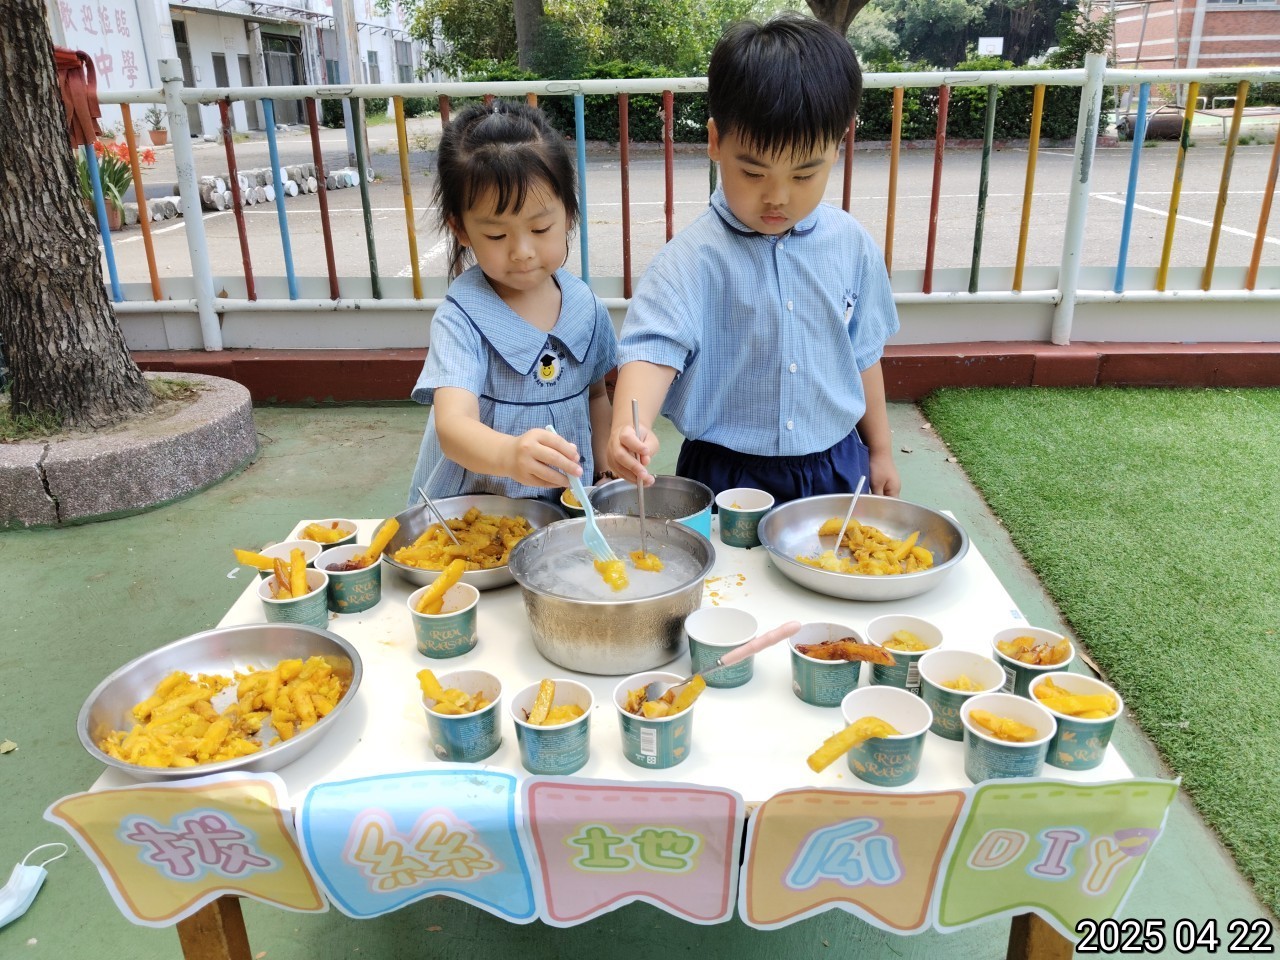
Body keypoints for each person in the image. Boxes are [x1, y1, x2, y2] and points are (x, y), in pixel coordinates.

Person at [606, 13, 901, 503]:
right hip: (724, 473)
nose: (777, 197)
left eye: (803, 175)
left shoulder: (852, 246)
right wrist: (627, 427)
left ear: (837, 146)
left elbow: (863, 354)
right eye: (753, 172)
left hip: (837, 461)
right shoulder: (689, 261)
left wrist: (882, 450)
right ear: (716, 142)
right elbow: (652, 352)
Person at [407, 100, 617, 504]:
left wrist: (606, 472)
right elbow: (453, 426)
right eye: (497, 236)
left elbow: (596, 397)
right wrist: (508, 454)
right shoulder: (462, 319)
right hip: (473, 517)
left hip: (565, 512)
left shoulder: (586, 308)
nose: (522, 251)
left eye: (540, 228)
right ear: (461, 229)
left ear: (568, 214)